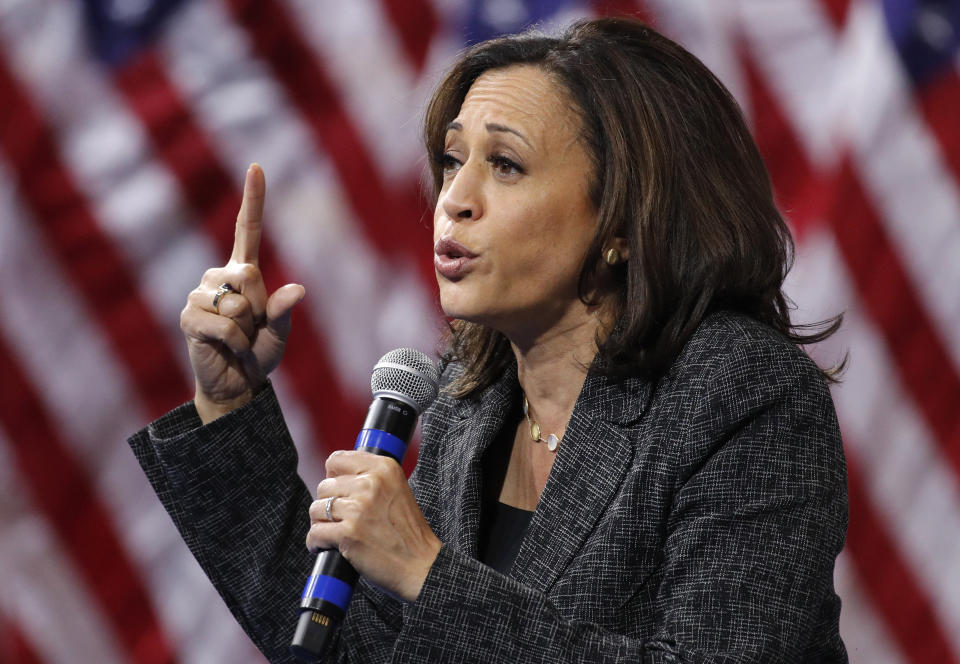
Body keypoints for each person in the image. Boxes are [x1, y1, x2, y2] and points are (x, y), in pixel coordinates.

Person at [129, 17, 848, 663]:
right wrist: (228, 405)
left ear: (624, 223)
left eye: (504, 165)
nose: (454, 199)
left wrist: (426, 571)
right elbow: (358, 652)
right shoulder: (468, 406)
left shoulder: (742, 398)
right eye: (452, 159)